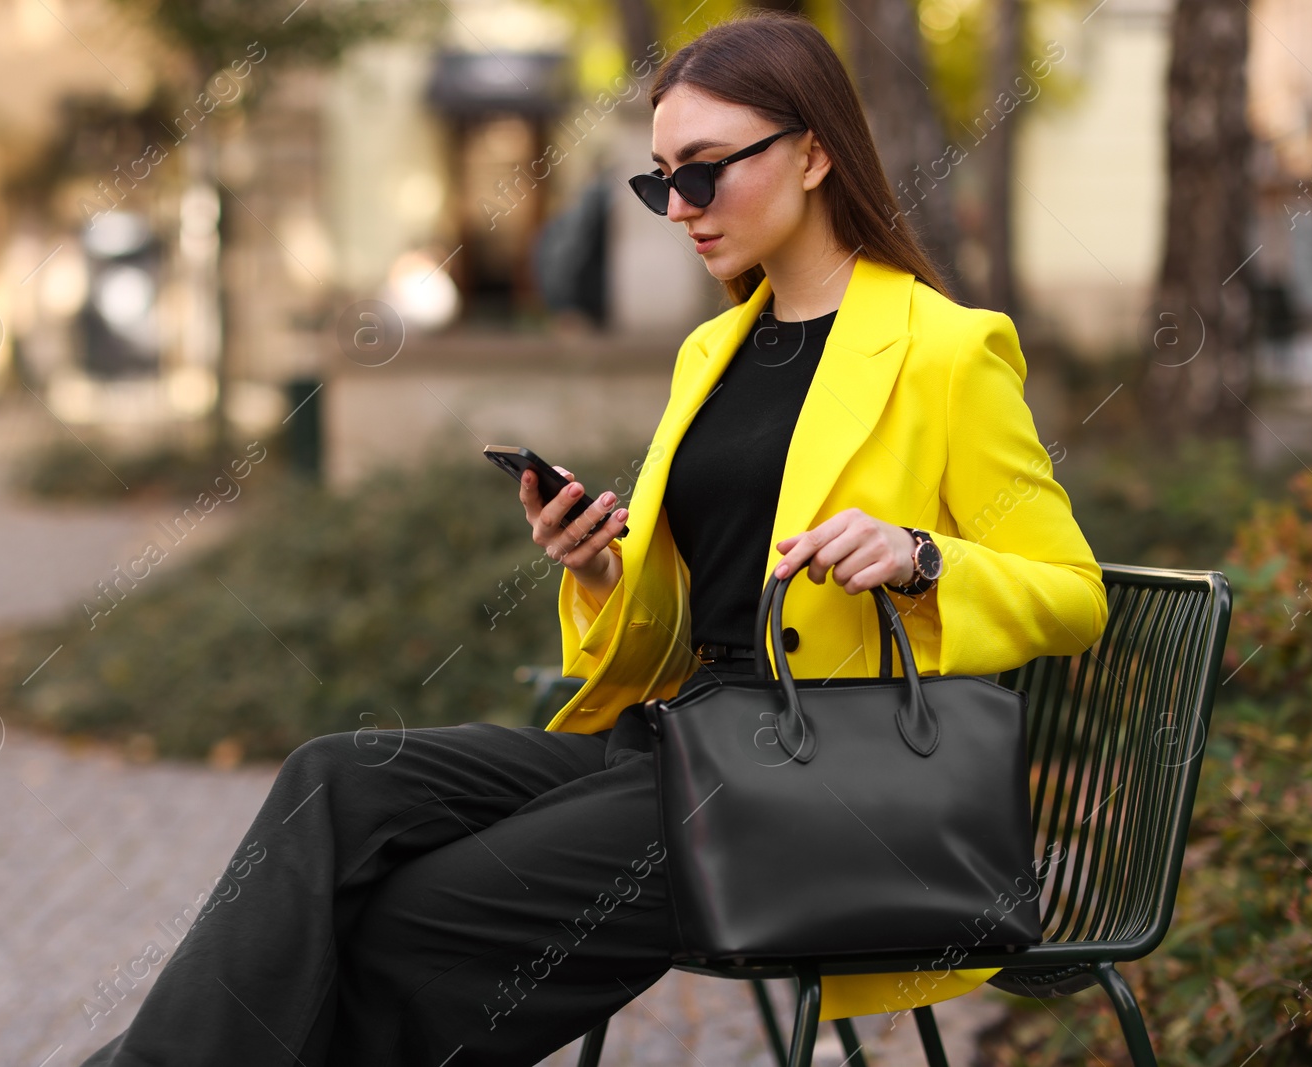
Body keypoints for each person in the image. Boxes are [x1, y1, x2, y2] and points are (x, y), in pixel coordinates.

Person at [80, 11, 1106, 1066]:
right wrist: (601, 565)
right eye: (661, 179)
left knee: (416, 915)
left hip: (804, 781)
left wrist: (921, 556)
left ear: (814, 152)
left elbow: (1070, 592)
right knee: (339, 777)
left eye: (704, 172)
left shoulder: (945, 349)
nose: (680, 208)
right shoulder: (715, 348)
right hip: (676, 737)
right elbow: (687, 612)